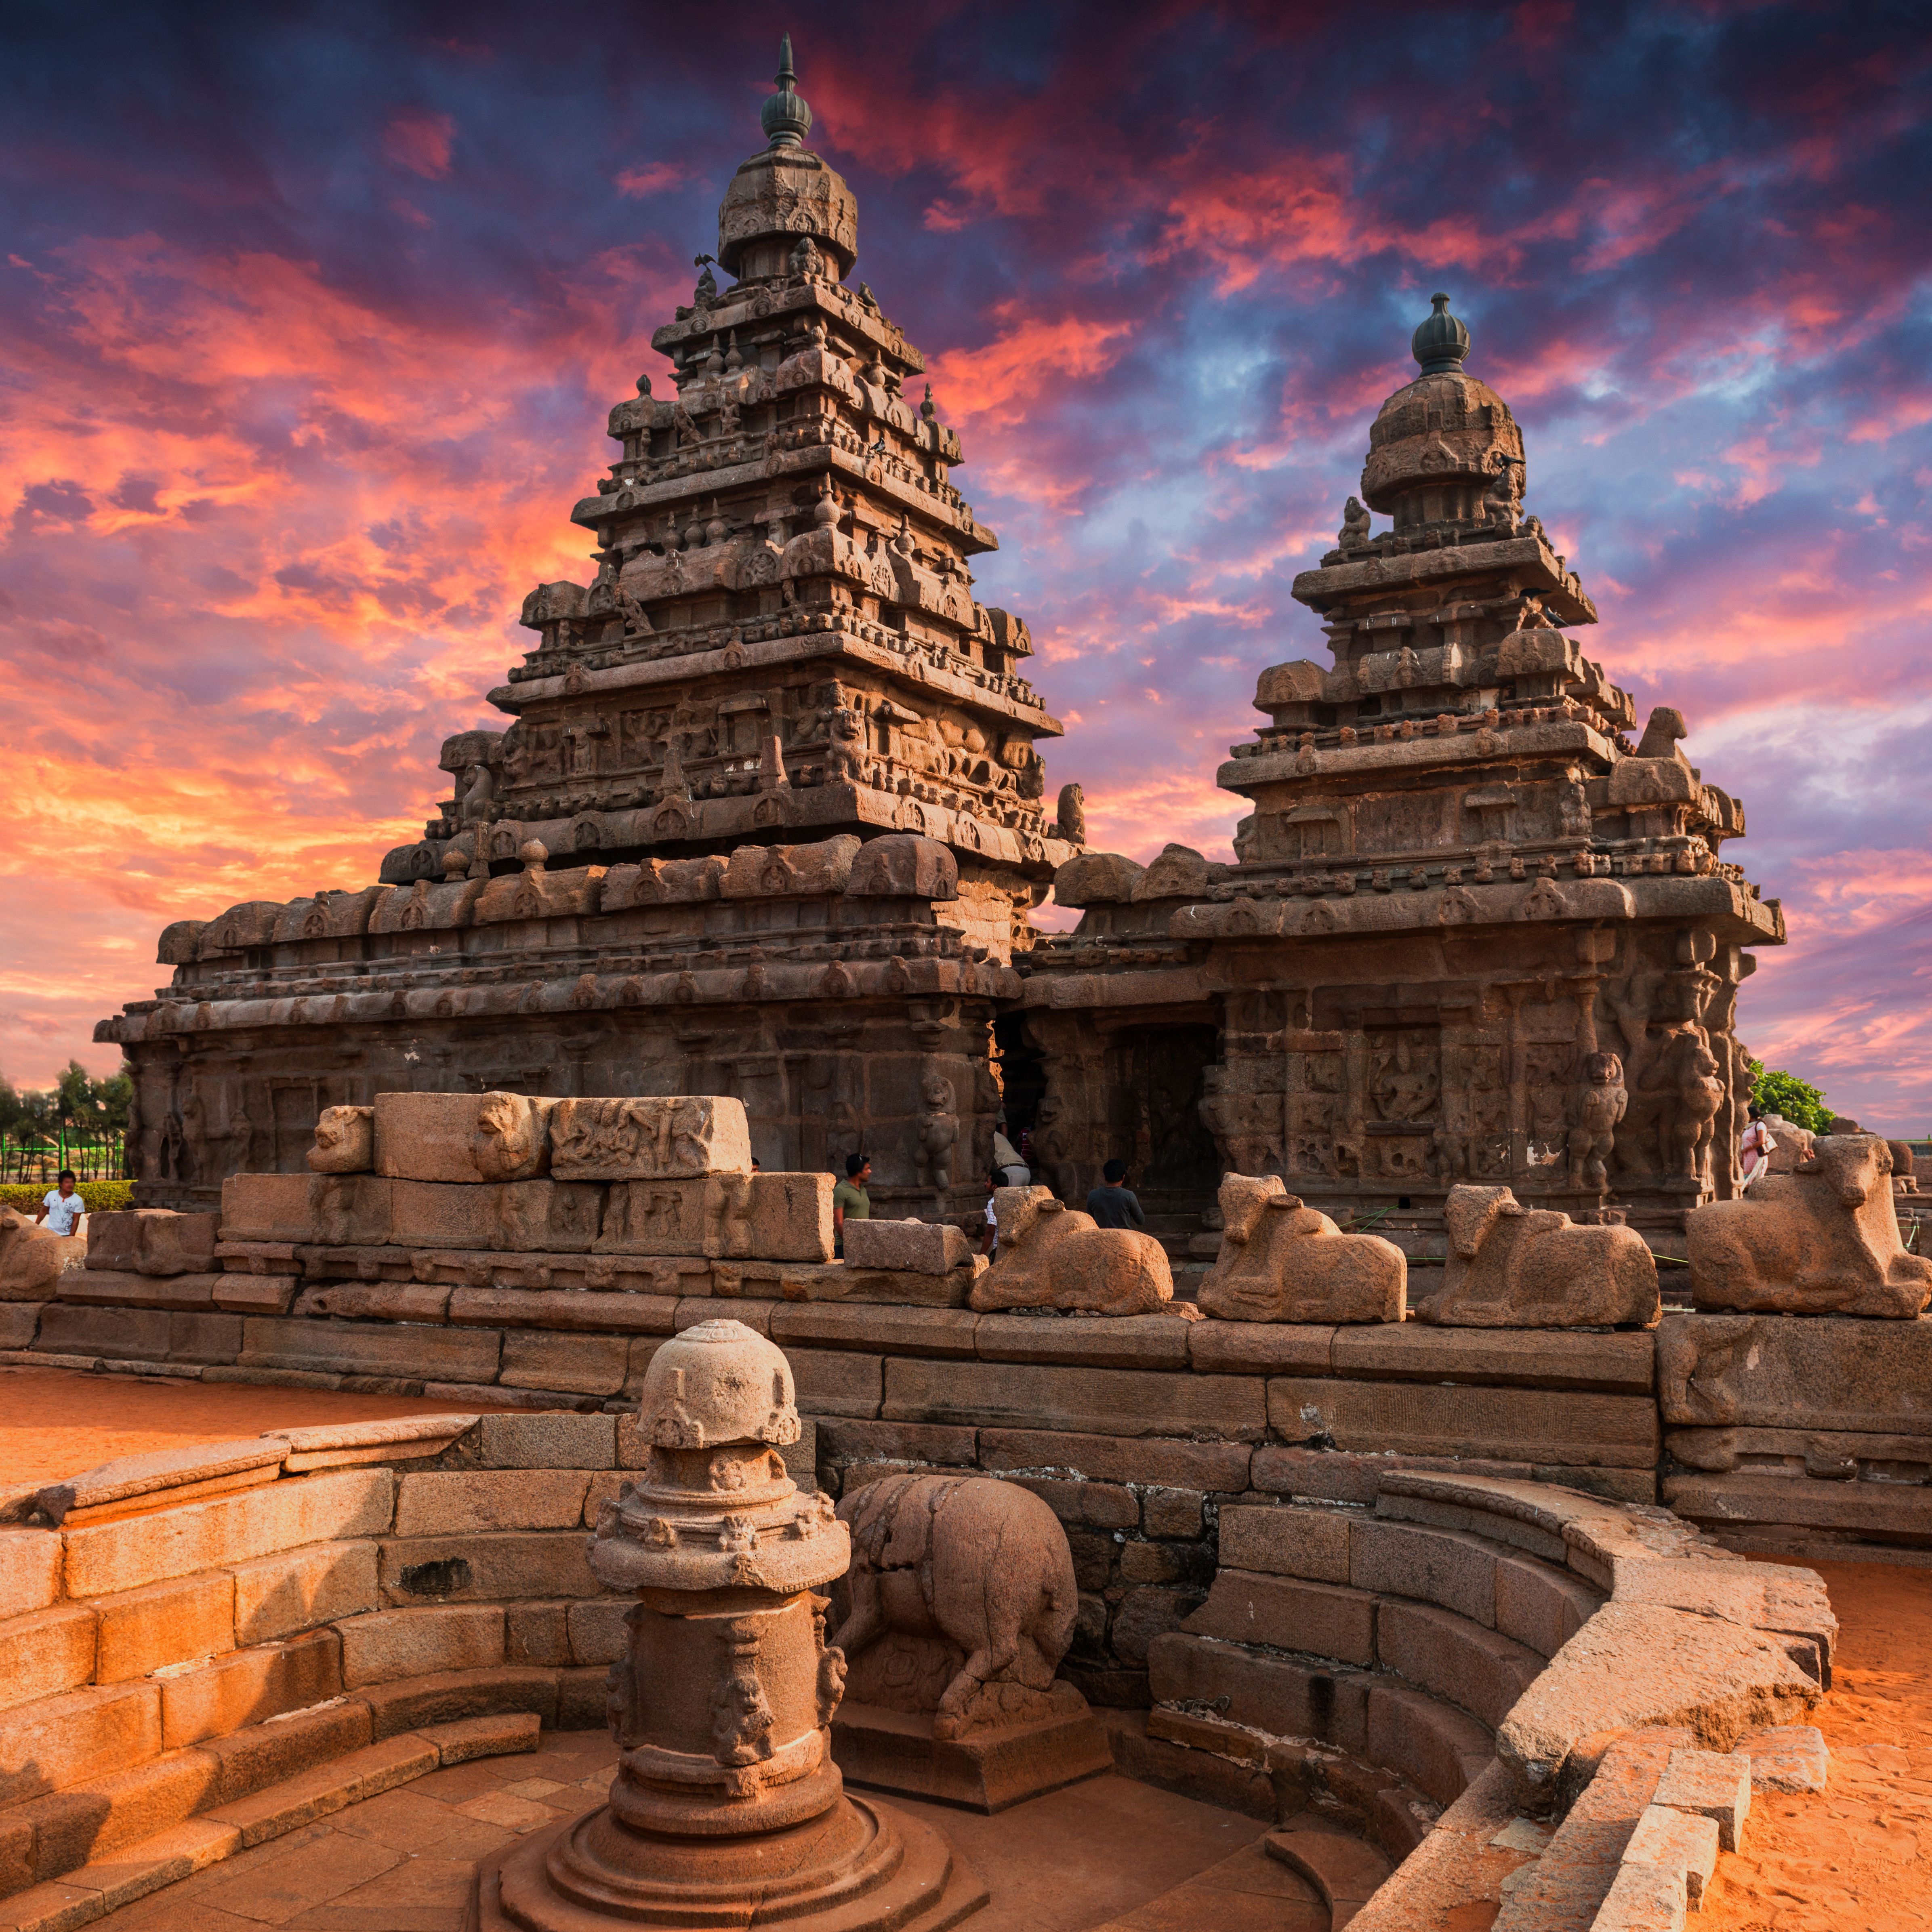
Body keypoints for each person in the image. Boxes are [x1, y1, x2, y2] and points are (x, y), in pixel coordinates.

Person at [1085, 1158, 1146, 1230]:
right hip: (1124, 1238)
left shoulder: (1093, 1195)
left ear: (1105, 1177)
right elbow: (1141, 1220)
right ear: (1123, 1177)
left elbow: (1089, 1220)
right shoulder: (1129, 1196)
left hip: (1101, 1238)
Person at [832, 1153, 871, 1258]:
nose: (870, 1172)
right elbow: (838, 1222)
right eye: (867, 1169)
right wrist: (852, 1243)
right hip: (844, 1248)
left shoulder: (863, 1189)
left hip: (862, 1246)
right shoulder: (841, 1191)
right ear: (859, 1171)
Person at [1739, 1104, 1777, 1189]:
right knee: (1748, 1181)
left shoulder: (1760, 1125)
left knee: (1757, 1181)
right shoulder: (1750, 1126)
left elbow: (1761, 1141)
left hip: (1758, 1157)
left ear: (1751, 1115)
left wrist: (1746, 1149)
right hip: (1749, 1158)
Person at [37, 1171, 85, 1237]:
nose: (70, 1185)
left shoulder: (78, 1200)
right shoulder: (51, 1195)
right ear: (60, 1184)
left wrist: (71, 1237)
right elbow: (43, 1211)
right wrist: (36, 1225)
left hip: (66, 1235)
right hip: (51, 1232)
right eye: (67, 1182)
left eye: (72, 1182)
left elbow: (76, 1220)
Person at [981, 1169, 1004, 1259]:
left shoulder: (993, 1203)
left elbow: (991, 1232)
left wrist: (981, 1256)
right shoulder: (1009, 1200)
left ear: (994, 1186)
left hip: (998, 1250)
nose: (985, 1184)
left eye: (988, 1182)